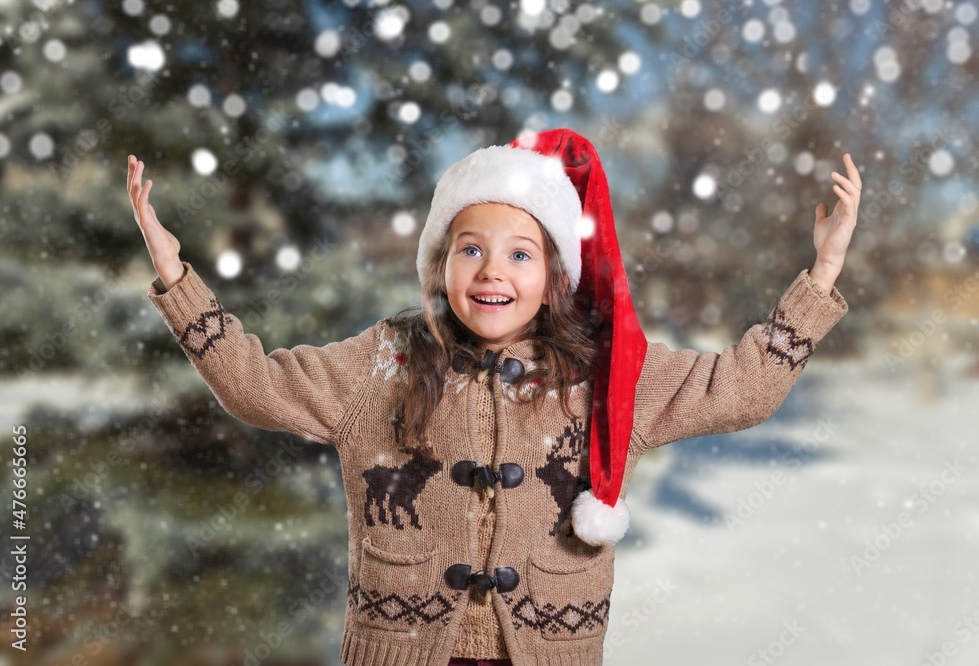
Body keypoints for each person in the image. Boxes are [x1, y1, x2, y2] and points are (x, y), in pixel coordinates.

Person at [128, 128, 861, 666]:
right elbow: (256, 385)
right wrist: (176, 275)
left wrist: (821, 274)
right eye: (468, 248)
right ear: (440, 264)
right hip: (401, 651)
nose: (490, 271)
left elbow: (740, 389)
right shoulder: (386, 358)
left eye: (519, 253)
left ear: (553, 274)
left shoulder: (603, 375)